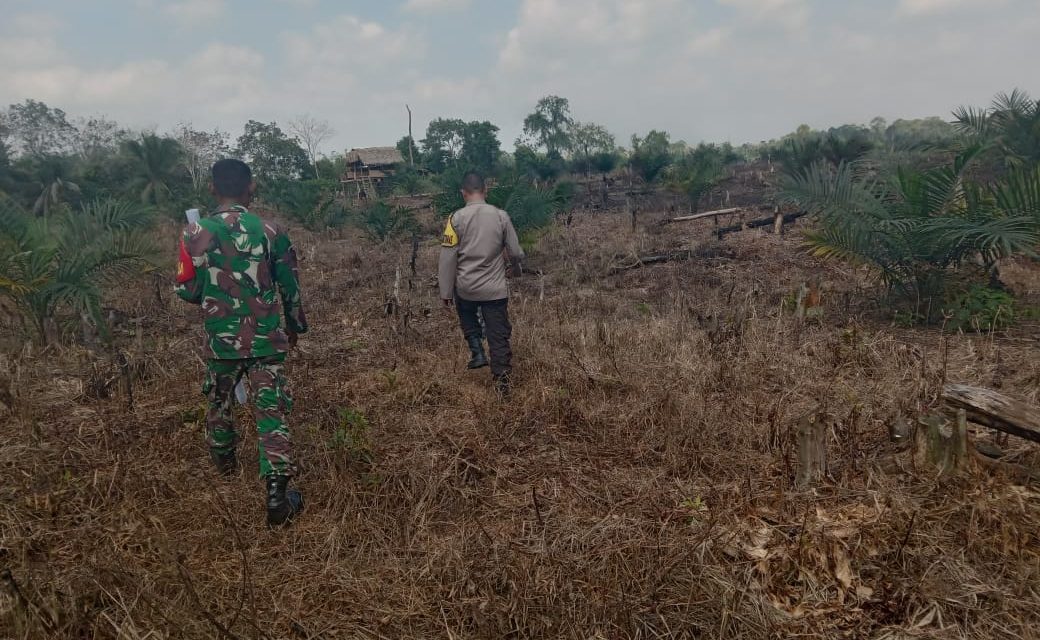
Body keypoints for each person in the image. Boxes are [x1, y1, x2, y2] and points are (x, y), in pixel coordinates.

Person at [175, 159, 308, 527]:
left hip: (222, 341)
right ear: (250, 187)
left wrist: (214, 290)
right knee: (271, 412)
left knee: (218, 403)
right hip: (266, 338)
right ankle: (278, 498)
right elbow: (289, 284)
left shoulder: (195, 232)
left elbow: (188, 289)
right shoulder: (270, 230)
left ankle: (225, 466)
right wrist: (295, 325)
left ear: (213, 189)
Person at [439, 172, 524, 397]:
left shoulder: (454, 219)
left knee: (465, 309)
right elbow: (515, 252)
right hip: (495, 290)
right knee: (498, 334)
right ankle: (502, 383)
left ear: (463, 193)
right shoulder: (501, 216)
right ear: (485, 191)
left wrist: (446, 291)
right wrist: (515, 268)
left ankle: (476, 349)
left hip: (466, 288)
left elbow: (448, 258)